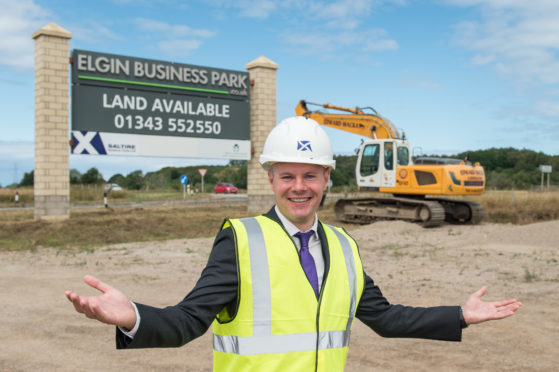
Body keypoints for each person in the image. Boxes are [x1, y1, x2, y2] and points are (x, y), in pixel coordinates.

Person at [66, 116, 522, 371]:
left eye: (309, 176)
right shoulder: (240, 240)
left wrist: (459, 315)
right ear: (271, 179)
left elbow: (384, 318)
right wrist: (135, 318)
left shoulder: (344, 245)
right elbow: (189, 320)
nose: (298, 187)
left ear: (326, 179)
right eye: (287, 176)